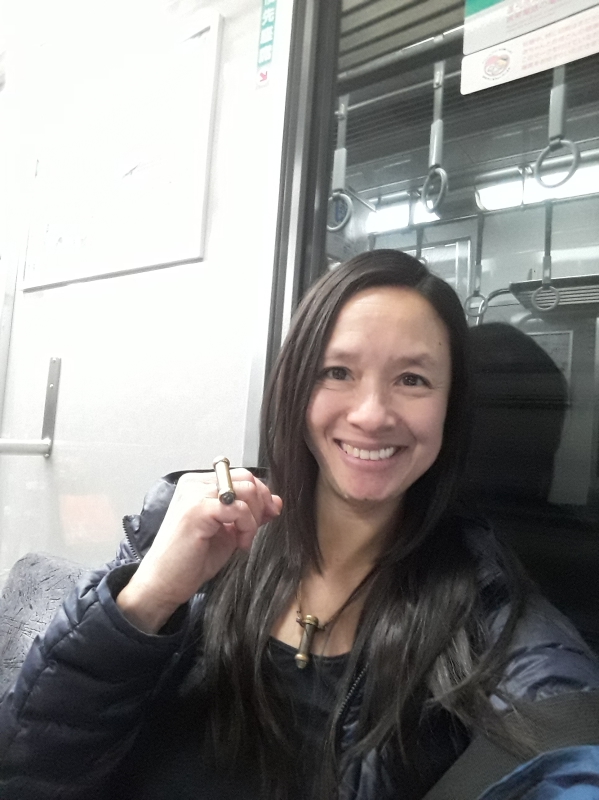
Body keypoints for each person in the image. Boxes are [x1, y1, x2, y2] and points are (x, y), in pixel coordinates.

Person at [1, 250, 598, 800]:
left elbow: (570, 733)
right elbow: (32, 764)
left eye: (412, 379)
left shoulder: (483, 604)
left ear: (450, 406)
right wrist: (149, 596)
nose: (371, 414)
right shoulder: (191, 522)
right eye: (338, 371)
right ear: (295, 384)